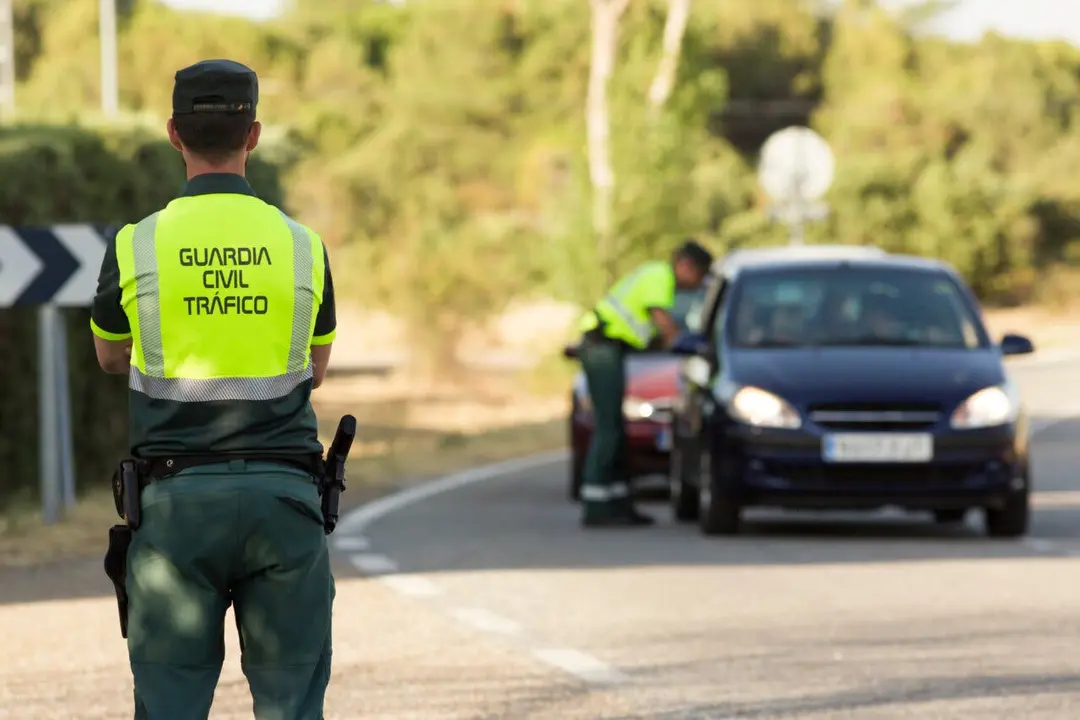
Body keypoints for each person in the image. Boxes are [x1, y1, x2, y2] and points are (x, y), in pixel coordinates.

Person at [90, 59, 337, 720]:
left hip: (174, 511)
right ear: (253, 135)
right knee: (293, 706)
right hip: (284, 505)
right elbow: (314, 368)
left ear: (174, 134)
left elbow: (109, 355)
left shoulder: (136, 244)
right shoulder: (304, 246)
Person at [576, 240, 713, 528]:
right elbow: (661, 320)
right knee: (608, 426)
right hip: (602, 348)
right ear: (685, 265)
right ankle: (596, 502)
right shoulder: (659, 276)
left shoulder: (657, 276)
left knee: (615, 427)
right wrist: (687, 344)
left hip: (610, 349)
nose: (696, 284)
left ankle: (618, 501)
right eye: (699, 275)